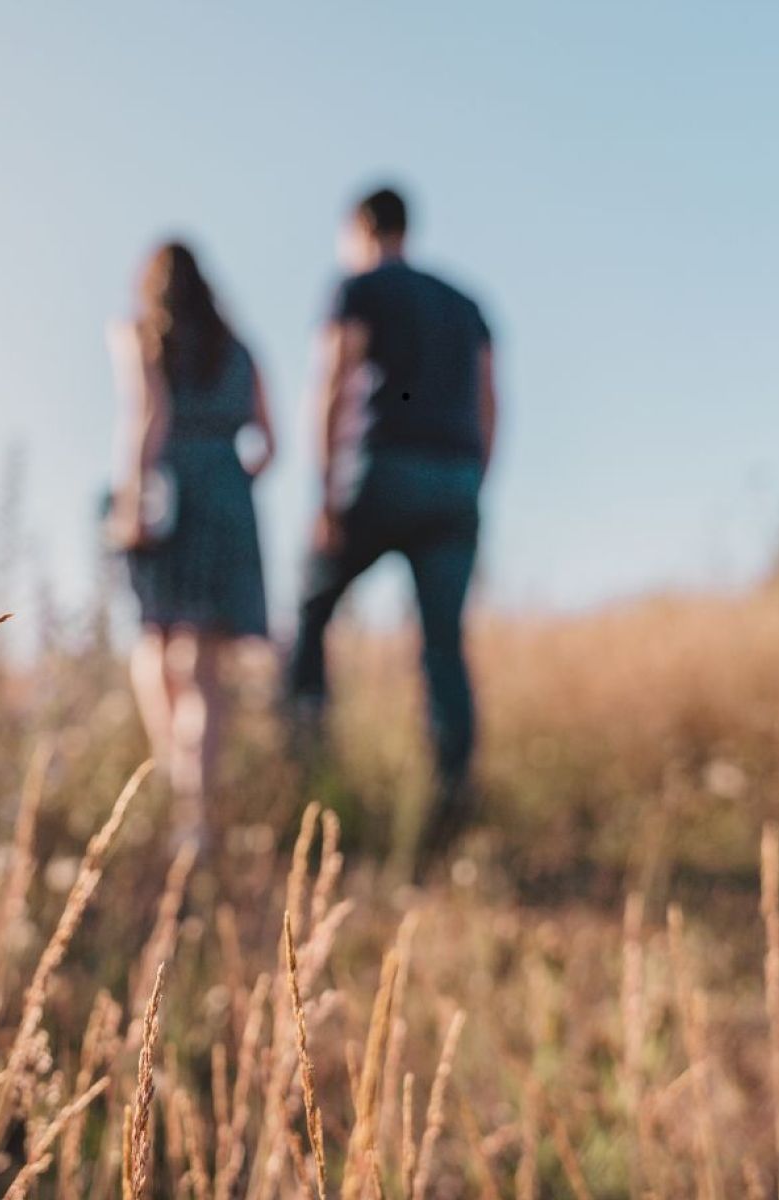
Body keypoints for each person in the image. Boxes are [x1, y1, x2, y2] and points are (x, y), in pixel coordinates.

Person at [285, 185, 499, 870]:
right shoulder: (466, 305)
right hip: (457, 479)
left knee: (312, 608)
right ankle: (452, 793)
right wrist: (474, 483)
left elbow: (332, 380)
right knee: (443, 642)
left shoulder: (357, 287)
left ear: (361, 229)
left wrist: (323, 492)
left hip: (383, 470)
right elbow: (491, 402)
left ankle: (308, 768)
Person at [109, 241, 276, 852]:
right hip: (229, 495)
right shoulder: (240, 348)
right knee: (205, 667)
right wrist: (229, 488)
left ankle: (175, 784)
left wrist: (132, 501)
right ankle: (197, 817)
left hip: (169, 492)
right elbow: (269, 441)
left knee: (155, 639)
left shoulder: (139, 334)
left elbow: (145, 415)